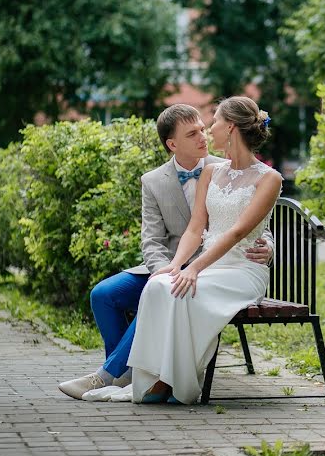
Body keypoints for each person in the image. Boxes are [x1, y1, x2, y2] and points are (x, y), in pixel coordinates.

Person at [57, 103, 273, 400]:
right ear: (172, 144)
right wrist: (171, 266)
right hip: (174, 263)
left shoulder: (253, 173)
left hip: (224, 266)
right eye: (193, 132)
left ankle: (113, 375)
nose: (205, 134)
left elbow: (252, 228)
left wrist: (269, 247)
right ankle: (131, 371)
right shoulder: (157, 180)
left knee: (167, 292)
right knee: (106, 294)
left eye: (206, 126)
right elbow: (159, 238)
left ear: (232, 128)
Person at [128, 96, 283, 404]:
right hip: (210, 265)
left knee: (184, 292)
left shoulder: (270, 178)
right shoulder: (211, 172)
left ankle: (177, 382)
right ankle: (158, 375)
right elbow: (196, 228)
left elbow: (239, 231)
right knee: (161, 284)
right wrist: (177, 265)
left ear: (232, 128)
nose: (210, 128)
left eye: (215, 122)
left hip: (242, 270)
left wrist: (195, 269)